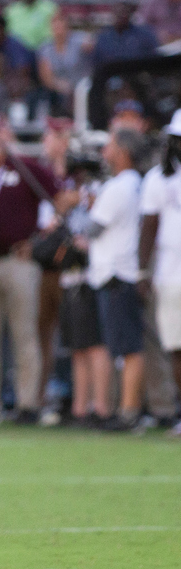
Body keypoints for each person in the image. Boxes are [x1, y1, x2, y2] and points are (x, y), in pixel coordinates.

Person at [0, 113, 61, 425]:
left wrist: (39, 242)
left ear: (5, 133)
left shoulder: (25, 168)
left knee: (25, 333)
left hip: (19, 259)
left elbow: (62, 201)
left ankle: (27, 403)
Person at [83, 130, 147, 431]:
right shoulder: (134, 183)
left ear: (122, 151)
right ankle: (126, 408)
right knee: (124, 345)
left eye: (109, 145)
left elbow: (93, 228)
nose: (105, 151)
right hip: (120, 272)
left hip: (116, 273)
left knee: (129, 347)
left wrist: (78, 206)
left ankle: (129, 412)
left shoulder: (120, 186)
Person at [139, 111, 181, 436]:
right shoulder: (157, 178)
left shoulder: (158, 178)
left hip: (170, 271)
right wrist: (143, 270)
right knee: (175, 347)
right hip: (170, 269)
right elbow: (149, 227)